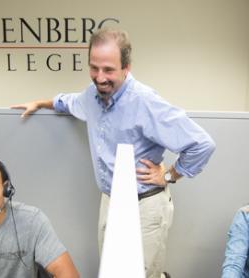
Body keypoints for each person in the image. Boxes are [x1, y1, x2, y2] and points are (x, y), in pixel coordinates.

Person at [11, 28, 216, 278]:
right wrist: (42, 103)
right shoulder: (91, 95)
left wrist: (170, 175)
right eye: (94, 68)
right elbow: (69, 101)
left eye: (108, 69)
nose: (99, 77)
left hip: (144, 206)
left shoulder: (145, 101)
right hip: (109, 201)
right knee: (110, 273)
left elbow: (201, 144)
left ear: (126, 67)